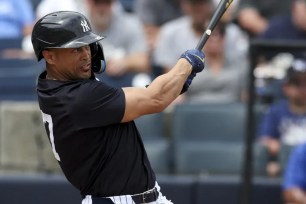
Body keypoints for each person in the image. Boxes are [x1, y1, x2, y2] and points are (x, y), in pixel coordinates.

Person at [31, 11, 205, 204]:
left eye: (87, 46)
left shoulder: (51, 84)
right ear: (50, 56)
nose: (86, 55)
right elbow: (156, 98)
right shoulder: (78, 98)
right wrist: (185, 64)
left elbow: (148, 94)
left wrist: (174, 83)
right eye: (75, 49)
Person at [84, 0, 151, 88]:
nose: (102, 8)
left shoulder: (129, 23)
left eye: (106, 3)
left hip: (125, 79)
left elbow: (144, 62)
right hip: (93, 81)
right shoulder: (80, 26)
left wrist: (125, 62)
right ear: (88, 4)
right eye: (97, 3)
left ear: (113, 4)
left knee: (143, 80)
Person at [258, 58, 306, 177]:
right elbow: (264, 139)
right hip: (285, 163)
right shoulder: (276, 111)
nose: (302, 88)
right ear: (286, 87)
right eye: (296, 83)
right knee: (272, 168)